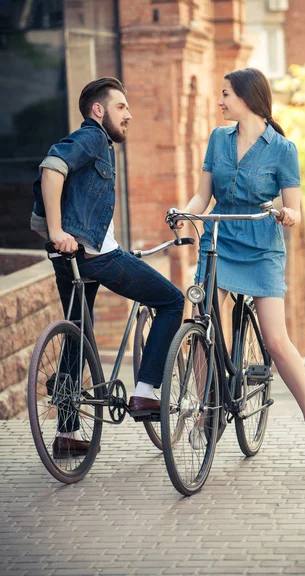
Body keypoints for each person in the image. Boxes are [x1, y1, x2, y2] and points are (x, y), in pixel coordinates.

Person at [176, 68, 305, 465]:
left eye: (226, 94)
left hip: (263, 244)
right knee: (202, 318)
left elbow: (295, 210)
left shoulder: (283, 149)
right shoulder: (218, 139)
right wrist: (184, 213)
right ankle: (206, 410)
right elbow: (202, 196)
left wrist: (287, 216)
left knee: (276, 342)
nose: (221, 101)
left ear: (247, 98)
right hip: (221, 238)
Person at [31, 77, 184, 457]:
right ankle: (145, 392)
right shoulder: (93, 138)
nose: (128, 115)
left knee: (78, 334)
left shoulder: (97, 144)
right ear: (98, 110)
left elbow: (81, 203)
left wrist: (61, 236)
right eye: (121, 107)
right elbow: (52, 168)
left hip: (70, 259)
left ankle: (67, 433)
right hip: (93, 258)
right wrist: (56, 230)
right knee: (171, 302)